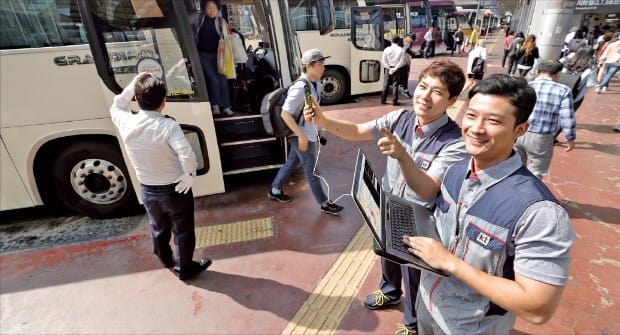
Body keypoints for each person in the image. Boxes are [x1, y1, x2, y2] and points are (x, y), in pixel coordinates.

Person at [401, 74, 575, 334]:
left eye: (492, 120)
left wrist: (450, 263)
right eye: (471, 116)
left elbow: (537, 308)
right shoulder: (455, 171)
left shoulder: (539, 212)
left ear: (520, 130)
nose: (476, 128)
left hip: (472, 326)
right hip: (427, 303)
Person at [304, 60, 468, 335]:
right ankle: (389, 291)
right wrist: (322, 120)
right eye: (423, 86)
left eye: (437, 92)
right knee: (385, 253)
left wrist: (403, 156)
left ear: (451, 100)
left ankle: (412, 323)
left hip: (419, 217)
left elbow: (427, 189)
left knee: (414, 273)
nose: (425, 96)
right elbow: (357, 131)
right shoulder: (400, 118)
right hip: (388, 204)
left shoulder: (454, 142)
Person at [110, 72, 212, 280]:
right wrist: (189, 175)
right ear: (164, 102)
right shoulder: (168, 126)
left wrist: (134, 83)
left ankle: (164, 257)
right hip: (175, 189)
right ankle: (185, 269)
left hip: (147, 190)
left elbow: (116, 105)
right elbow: (187, 155)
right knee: (182, 230)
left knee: (157, 226)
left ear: (137, 100)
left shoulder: (126, 122)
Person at [267, 49, 344, 216]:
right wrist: (301, 136)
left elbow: (313, 110)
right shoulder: (300, 87)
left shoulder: (314, 83)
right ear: (309, 66)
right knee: (312, 170)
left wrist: (319, 130)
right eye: (321, 64)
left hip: (308, 133)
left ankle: (275, 189)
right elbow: (285, 114)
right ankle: (324, 203)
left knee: (292, 163)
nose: (324, 67)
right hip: (300, 135)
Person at [514, 60, 575, 179]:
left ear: (537, 72)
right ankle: (530, 193)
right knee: (536, 171)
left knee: (515, 166)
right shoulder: (563, 90)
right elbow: (567, 117)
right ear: (557, 74)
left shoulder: (526, 86)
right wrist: (570, 138)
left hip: (518, 133)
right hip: (542, 136)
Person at [191, 0, 234, 116]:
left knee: (223, 80)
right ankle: (215, 106)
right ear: (204, 8)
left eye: (214, 8)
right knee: (214, 80)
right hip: (203, 55)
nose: (212, 10)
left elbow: (229, 37)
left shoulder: (221, 21)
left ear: (218, 9)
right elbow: (184, 20)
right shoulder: (198, 18)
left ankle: (226, 106)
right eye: (209, 8)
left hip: (219, 56)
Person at [561, 46, 597, 111]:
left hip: (561, 90)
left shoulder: (567, 62)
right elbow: (590, 84)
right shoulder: (591, 67)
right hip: (576, 95)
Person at [381, 36, 409, 106]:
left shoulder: (386, 49)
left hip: (388, 69)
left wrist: (389, 68)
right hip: (397, 69)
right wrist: (395, 68)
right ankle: (394, 101)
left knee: (385, 84)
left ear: (391, 41)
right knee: (395, 85)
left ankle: (383, 100)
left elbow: (383, 60)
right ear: (399, 41)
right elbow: (402, 61)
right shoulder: (401, 50)